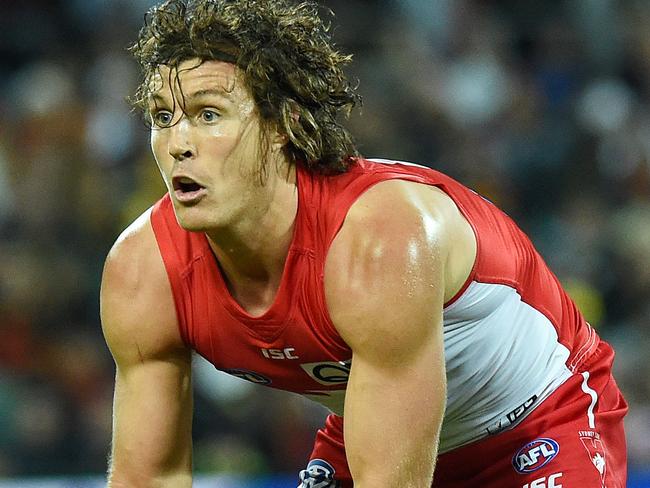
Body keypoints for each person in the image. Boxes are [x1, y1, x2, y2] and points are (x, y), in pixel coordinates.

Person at [100, 0, 628, 486]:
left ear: (282, 123)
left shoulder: (378, 240)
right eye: (162, 117)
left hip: (539, 426)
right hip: (378, 432)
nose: (178, 144)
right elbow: (148, 478)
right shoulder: (143, 270)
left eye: (208, 114)